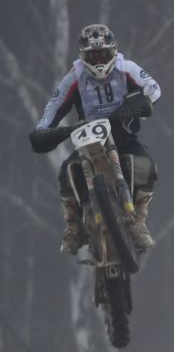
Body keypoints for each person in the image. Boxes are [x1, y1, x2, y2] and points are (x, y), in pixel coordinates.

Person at [27, 24, 162, 254]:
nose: (99, 60)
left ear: (113, 51)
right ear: (83, 56)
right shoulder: (74, 76)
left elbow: (154, 88)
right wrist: (43, 130)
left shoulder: (126, 67)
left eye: (103, 54)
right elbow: (53, 107)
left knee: (146, 164)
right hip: (87, 135)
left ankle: (139, 221)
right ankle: (73, 227)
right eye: (92, 55)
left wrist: (139, 103)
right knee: (67, 171)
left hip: (121, 131)